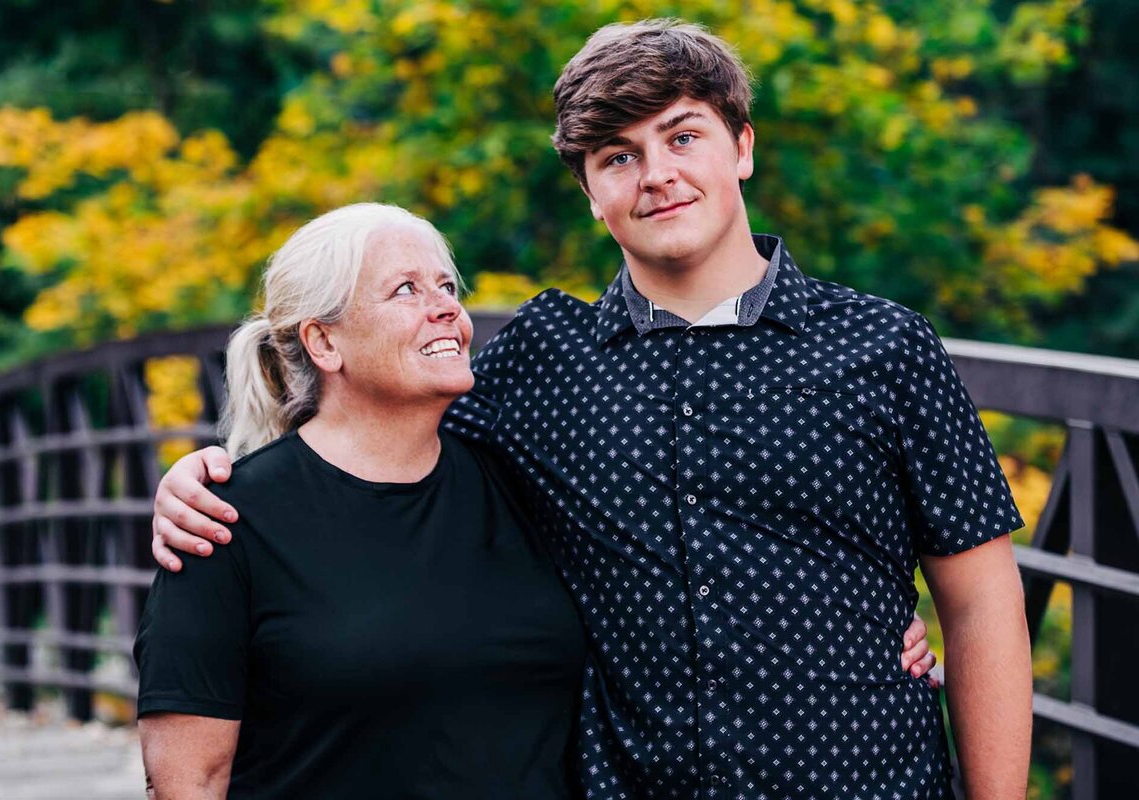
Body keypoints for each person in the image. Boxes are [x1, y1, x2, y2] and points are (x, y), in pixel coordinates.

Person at [149, 20, 1031, 800]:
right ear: (591, 193)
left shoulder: (884, 347)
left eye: (683, 136)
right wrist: (211, 476)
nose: (658, 175)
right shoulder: (542, 363)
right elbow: (374, 439)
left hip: (867, 781)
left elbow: (985, 600)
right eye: (619, 156)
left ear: (742, 148)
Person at [133, 203, 587, 798]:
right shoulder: (224, 522)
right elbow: (190, 781)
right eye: (406, 290)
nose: (447, 307)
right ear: (323, 340)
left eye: (448, 286)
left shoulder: (521, 480)